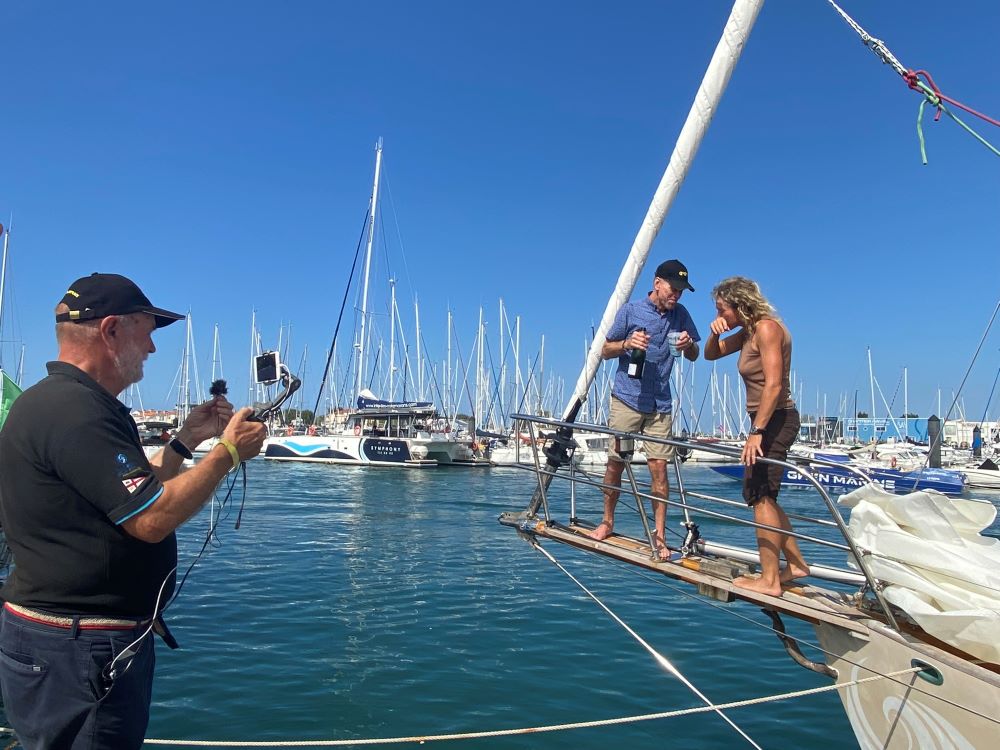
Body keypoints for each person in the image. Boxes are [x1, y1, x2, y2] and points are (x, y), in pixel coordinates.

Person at [0, 273, 267, 749]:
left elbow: (133, 493)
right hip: (78, 651)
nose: (153, 348)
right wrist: (227, 453)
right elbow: (150, 519)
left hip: (64, 643)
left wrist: (187, 440)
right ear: (111, 330)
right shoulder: (77, 412)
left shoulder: (63, 403)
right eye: (147, 330)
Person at [704, 276, 809, 596]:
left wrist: (756, 433)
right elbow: (711, 354)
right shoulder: (748, 332)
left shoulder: (767, 329)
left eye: (722, 308)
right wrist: (713, 332)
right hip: (765, 420)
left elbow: (774, 385)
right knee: (762, 496)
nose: (720, 314)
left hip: (775, 420)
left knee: (760, 494)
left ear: (740, 304)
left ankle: (770, 580)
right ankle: (796, 565)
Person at [589, 259, 700, 560]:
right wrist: (626, 343)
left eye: (681, 291)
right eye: (673, 289)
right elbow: (605, 350)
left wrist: (688, 344)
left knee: (659, 469)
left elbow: (694, 355)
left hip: (660, 402)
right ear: (657, 283)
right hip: (627, 398)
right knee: (616, 463)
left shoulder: (682, 316)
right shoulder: (631, 311)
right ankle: (607, 521)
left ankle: (660, 536)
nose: (677, 295)